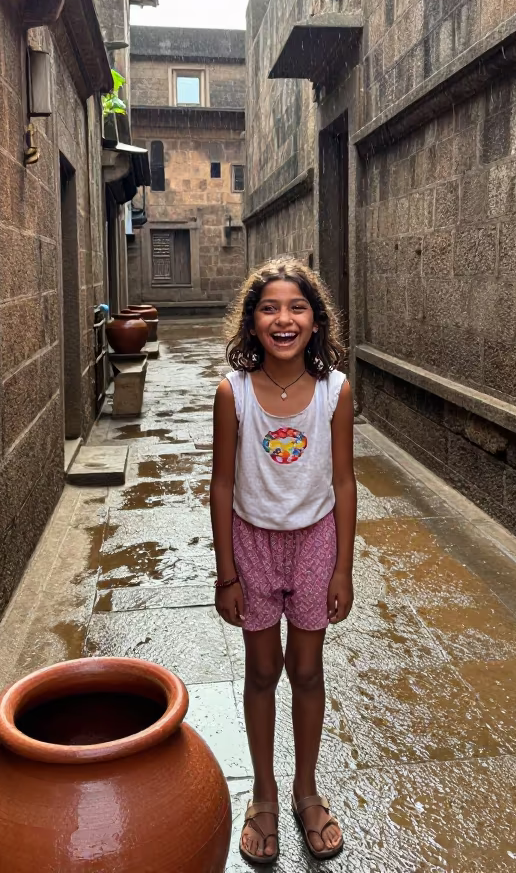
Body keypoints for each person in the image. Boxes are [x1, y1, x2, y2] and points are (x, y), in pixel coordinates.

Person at [209, 257, 356, 864]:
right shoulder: (234, 392)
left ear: (316, 322)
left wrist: (343, 567)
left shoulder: (335, 392)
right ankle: (264, 795)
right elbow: (221, 485)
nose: (284, 318)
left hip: (315, 543)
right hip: (253, 545)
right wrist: (226, 573)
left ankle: (306, 789)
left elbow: (344, 482)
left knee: (308, 672)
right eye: (269, 307)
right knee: (262, 673)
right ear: (252, 322)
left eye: (297, 307)